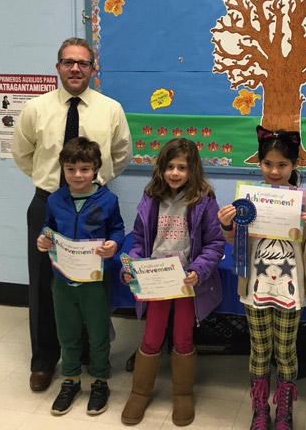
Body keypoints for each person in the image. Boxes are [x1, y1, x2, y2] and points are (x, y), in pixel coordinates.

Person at [11, 37, 132, 392]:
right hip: (49, 201)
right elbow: (23, 154)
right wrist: (54, 185)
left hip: (95, 204)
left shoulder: (110, 108)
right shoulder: (36, 108)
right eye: (68, 62)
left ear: (93, 69)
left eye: (82, 63)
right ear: (58, 67)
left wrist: (93, 183)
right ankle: (44, 359)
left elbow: (121, 154)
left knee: (91, 281)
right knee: (47, 282)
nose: (75, 68)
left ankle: (88, 357)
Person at [217, 126, 306, 430]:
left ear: (294, 166)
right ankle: (260, 408)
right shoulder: (248, 200)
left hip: (290, 290)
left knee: (286, 350)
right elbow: (233, 241)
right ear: (259, 164)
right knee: (259, 349)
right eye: (268, 164)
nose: (275, 171)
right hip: (255, 287)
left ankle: (285, 408)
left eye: (282, 165)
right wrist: (226, 225)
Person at [120, 138, 225, 427]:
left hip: (186, 283)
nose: (175, 173)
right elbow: (139, 242)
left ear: (193, 170)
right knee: (151, 337)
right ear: (160, 169)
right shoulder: (151, 197)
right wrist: (132, 268)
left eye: (182, 167)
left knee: (183, 337)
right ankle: (140, 392)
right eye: (170, 167)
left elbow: (215, 246)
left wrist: (199, 271)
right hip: (155, 281)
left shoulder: (204, 200)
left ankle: (182, 393)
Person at [37, 137, 125, 415]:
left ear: (96, 169)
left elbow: (117, 230)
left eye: (85, 169)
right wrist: (43, 239)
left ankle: (99, 381)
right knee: (68, 333)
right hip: (62, 279)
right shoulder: (54, 199)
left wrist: (114, 244)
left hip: (95, 280)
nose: (78, 175)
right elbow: (48, 229)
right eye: (71, 169)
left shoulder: (108, 199)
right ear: (62, 169)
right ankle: (71, 380)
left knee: (98, 334)